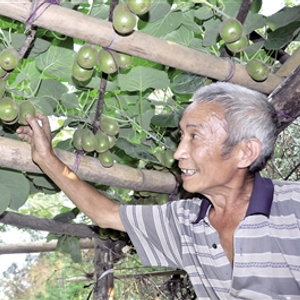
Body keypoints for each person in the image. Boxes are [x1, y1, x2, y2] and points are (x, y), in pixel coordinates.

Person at [16, 82, 300, 299]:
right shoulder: (185, 222)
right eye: (181, 136)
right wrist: (46, 159)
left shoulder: (294, 207)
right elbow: (106, 214)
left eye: (195, 136)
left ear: (245, 152)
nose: (178, 153)